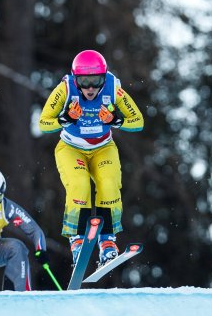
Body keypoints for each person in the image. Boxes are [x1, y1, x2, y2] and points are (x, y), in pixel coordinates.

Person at [38, 50, 144, 266]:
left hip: (103, 147)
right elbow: (43, 123)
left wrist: (115, 120)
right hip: (71, 148)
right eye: (84, 82)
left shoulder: (113, 88)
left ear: (104, 77)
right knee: (79, 185)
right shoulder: (66, 89)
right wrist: (66, 118)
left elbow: (138, 121)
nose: (90, 88)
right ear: (75, 78)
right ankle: (77, 238)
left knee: (109, 183)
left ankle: (107, 241)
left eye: (96, 81)